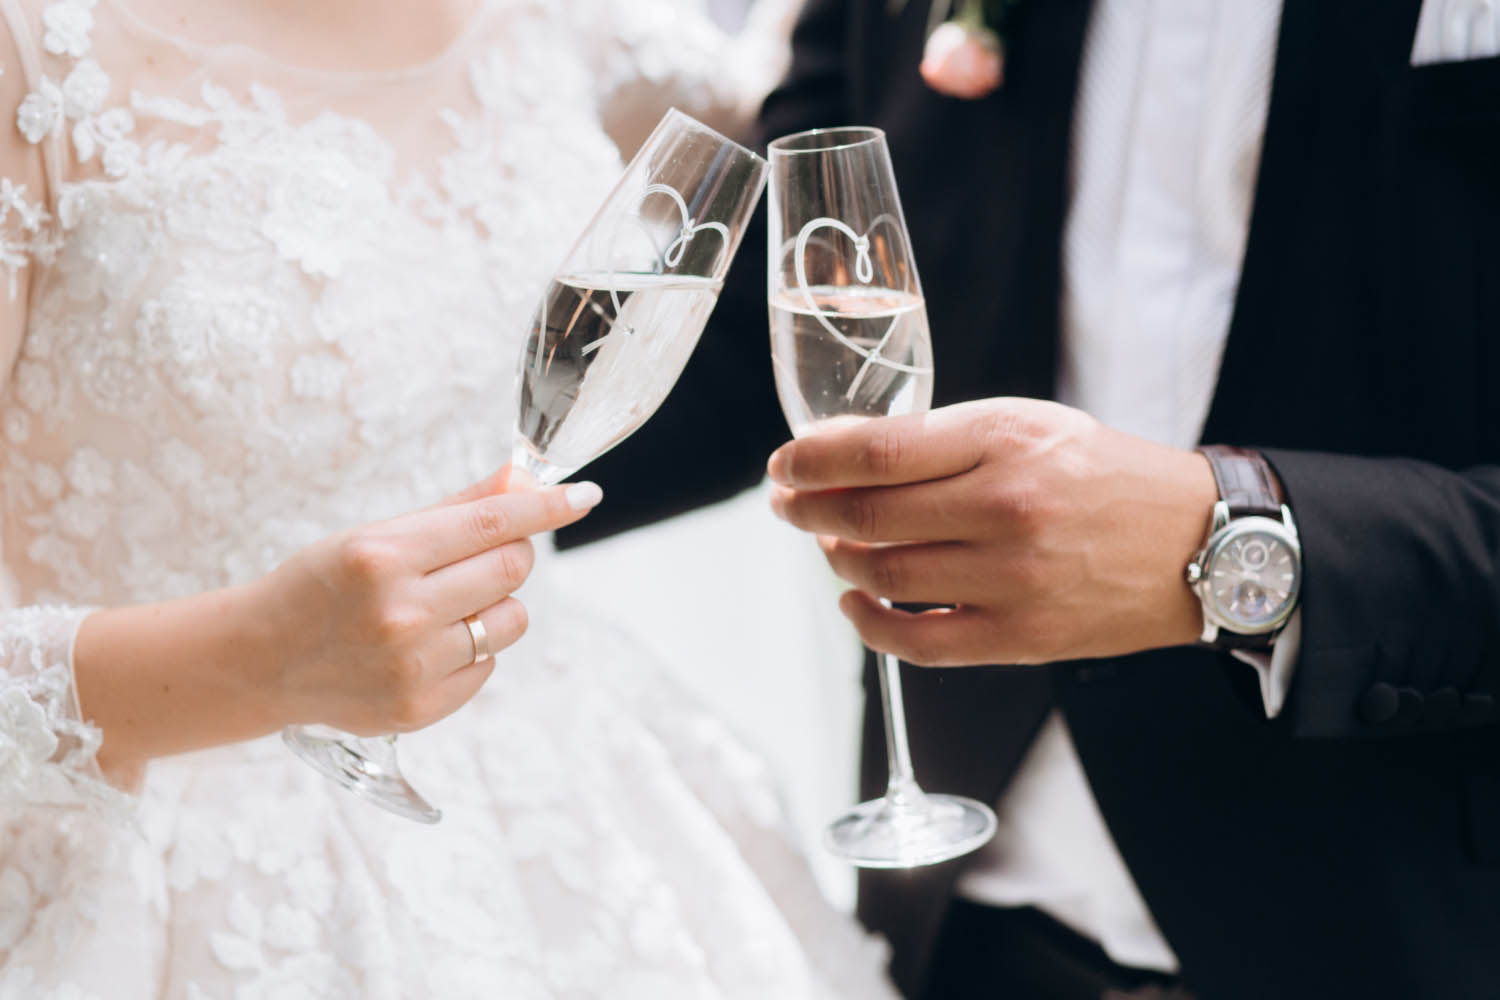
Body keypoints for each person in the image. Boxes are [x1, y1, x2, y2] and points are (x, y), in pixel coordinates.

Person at [569, 0, 1500, 998]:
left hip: (1408, 937)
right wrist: (413, 478)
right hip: (959, 940)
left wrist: (1233, 539)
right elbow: (765, 316)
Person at [0, 0, 899, 995]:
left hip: (568, 796)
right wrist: (255, 658)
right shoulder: (35, 57)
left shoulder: (564, 17)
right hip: (169, 862)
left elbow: (793, 107)